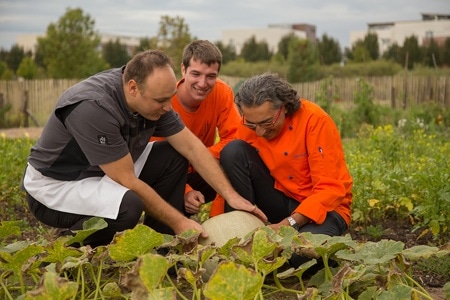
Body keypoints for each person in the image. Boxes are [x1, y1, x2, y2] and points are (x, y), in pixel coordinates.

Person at [21, 49, 267, 248]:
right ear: (132, 88)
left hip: (104, 171)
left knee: (173, 155)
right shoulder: (93, 107)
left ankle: (160, 246)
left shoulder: (153, 98)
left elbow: (192, 147)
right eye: (161, 101)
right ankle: (65, 249)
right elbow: (127, 180)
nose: (167, 107)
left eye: (169, 98)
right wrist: (181, 221)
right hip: (56, 186)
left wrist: (232, 195)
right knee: (128, 206)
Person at [219, 72, 352, 269]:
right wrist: (219, 225)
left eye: (267, 123)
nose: (259, 132)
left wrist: (286, 224)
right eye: (251, 124)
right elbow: (231, 179)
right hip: (282, 198)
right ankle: (241, 232)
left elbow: (329, 189)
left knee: (297, 258)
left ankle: (330, 249)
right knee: (233, 151)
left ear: (285, 107)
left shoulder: (315, 120)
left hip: (326, 209)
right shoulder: (253, 123)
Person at [151, 40, 241, 216]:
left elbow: (235, 138)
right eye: (196, 74)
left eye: (210, 76)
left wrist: (200, 159)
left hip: (202, 170)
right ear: (183, 70)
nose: (202, 83)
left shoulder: (222, 92)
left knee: (237, 154)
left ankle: (225, 219)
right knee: (164, 155)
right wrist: (185, 191)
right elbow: (154, 160)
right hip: (169, 176)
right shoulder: (165, 102)